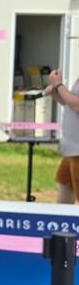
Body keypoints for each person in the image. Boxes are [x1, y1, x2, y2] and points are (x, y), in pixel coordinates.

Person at [45, 68, 79, 203]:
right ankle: (59, 221)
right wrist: (56, 93)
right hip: (71, 148)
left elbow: (77, 105)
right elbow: (70, 103)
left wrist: (59, 85)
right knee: (64, 185)